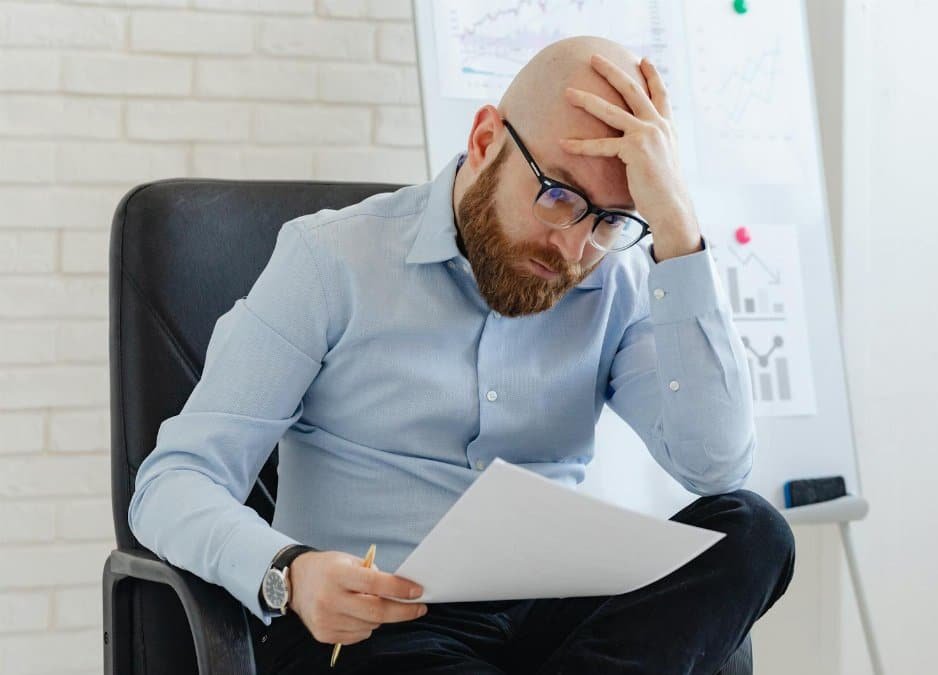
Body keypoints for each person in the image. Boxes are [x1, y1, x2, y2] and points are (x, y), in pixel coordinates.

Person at [128, 35, 795, 674]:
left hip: (547, 619)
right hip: (378, 629)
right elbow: (174, 480)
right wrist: (290, 571)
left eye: (612, 220)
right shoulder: (331, 260)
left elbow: (717, 464)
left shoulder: (613, 281)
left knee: (754, 532)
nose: (572, 249)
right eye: (559, 195)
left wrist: (677, 229)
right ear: (484, 142)